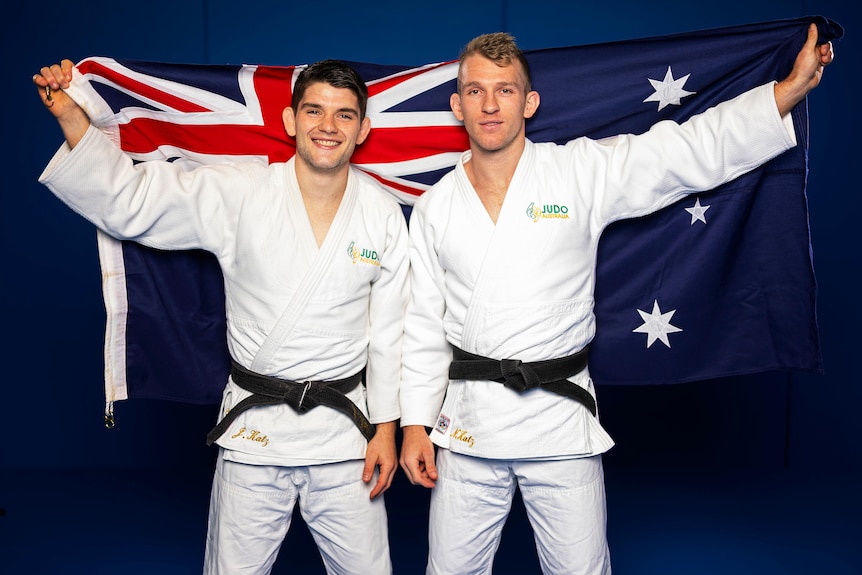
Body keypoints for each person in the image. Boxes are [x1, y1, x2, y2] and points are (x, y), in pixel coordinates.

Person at [399, 24, 834, 575]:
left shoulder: (578, 171)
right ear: (457, 105)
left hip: (559, 420)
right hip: (466, 424)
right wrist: (415, 423)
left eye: (505, 90)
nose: (490, 105)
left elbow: (682, 151)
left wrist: (786, 93)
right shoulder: (437, 206)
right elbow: (421, 325)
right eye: (477, 91)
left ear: (528, 102)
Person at [34, 58, 408, 575]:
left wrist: (385, 430)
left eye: (344, 115)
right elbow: (135, 201)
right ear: (289, 119)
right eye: (314, 110)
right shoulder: (242, 192)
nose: (328, 126)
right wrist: (74, 122)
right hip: (255, 430)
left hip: (345, 434)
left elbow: (389, 335)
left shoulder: (381, 213)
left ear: (363, 128)